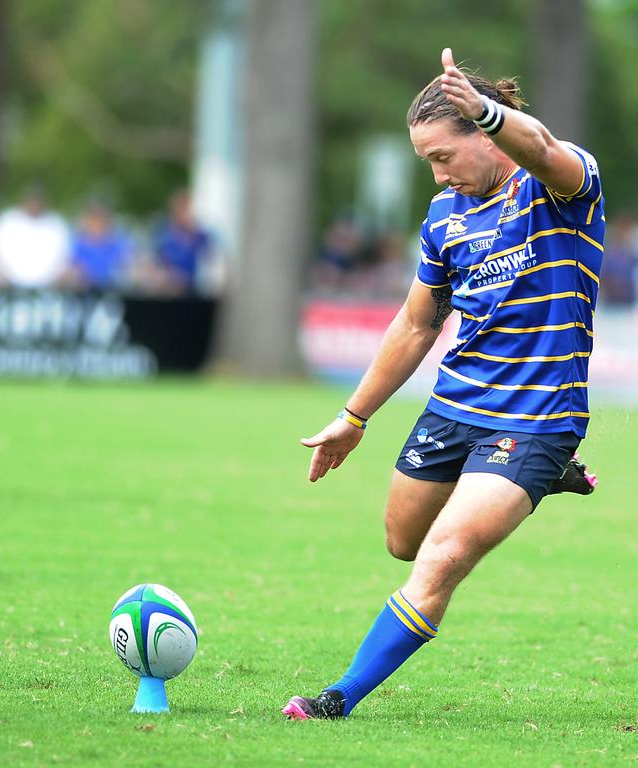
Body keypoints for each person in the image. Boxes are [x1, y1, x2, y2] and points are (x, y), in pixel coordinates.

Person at [283, 48, 603, 720]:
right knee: (402, 539)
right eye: (426, 159)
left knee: (442, 555)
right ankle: (539, 479)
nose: (437, 172)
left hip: (536, 417)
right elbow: (415, 324)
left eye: (443, 155)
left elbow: (542, 147)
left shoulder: (559, 190)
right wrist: (356, 416)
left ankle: (336, 700)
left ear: (484, 133)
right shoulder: (443, 217)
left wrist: (491, 112)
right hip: (454, 407)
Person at [0, 185, 69, 289]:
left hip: (48, 289)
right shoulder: (8, 221)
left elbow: (63, 259)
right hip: (9, 287)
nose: (34, 204)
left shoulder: (56, 224)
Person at [67, 197, 136, 291]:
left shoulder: (120, 243)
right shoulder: (75, 244)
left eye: (101, 218)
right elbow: (69, 269)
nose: (98, 223)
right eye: (93, 218)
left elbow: (130, 266)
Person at [152, 189, 212, 295]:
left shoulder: (200, 235)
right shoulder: (164, 233)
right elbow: (158, 261)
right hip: (168, 288)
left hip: (193, 290)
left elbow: (208, 259)